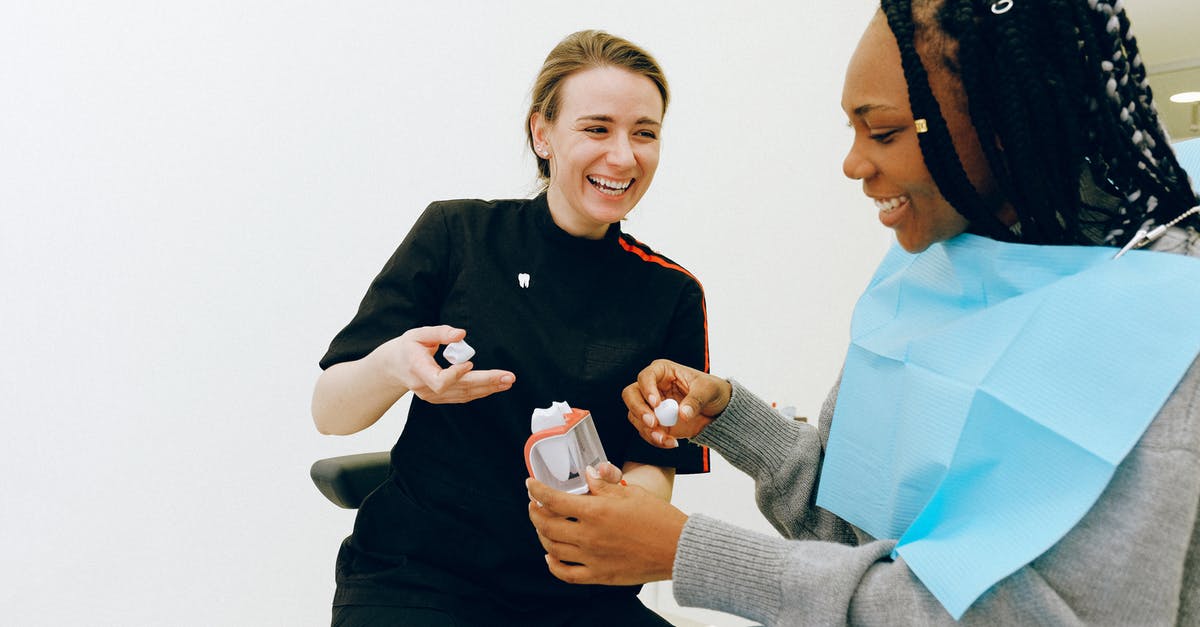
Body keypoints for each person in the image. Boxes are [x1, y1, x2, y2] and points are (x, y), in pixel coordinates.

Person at [527, 1, 1200, 624]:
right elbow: (862, 525)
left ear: (999, 121)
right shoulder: (929, 265)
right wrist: (734, 419)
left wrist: (689, 553)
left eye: (881, 131)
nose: (853, 163)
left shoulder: (1168, 332)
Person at [313, 30, 711, 626]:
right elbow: (331, 413)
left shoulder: (672, 292)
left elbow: (652, 467)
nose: (624, 156)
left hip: (576, 593)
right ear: (542, 134)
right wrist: (397, 365)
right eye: (597, 128)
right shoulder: (458, 236)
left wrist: (619, 509)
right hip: (419, 578)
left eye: (645, 133)